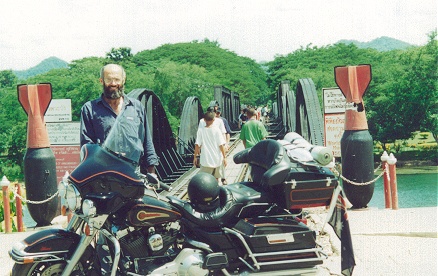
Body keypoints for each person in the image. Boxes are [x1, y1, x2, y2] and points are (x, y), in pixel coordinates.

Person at [79, 63, 158, 174]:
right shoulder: (89, 109)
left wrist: (152, 174)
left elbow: (147, 142)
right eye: (109, 80)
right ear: (101, 81)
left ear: (123, 80)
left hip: (133, 174)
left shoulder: (136, 107)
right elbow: (87, 148)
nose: (113, 84)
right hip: (104, 175)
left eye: (117, 79)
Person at [193, 111, 227, 182]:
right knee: (216, 180)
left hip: (205, 160)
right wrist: (224, 157)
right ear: (214, 120)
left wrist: (195, 157)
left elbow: (197, 145)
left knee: (205, 181)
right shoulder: (217, 130)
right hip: (217, 159)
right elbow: (221, 145)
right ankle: (216, 192)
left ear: (204, 120)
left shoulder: (200, 131)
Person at [215, 107, 231, 185]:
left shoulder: (223, 120)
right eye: (215, 112)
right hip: (214, 145)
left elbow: (227, 132)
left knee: (222, 161)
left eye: (218, 113)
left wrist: (227, 143)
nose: (217, 114)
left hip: (222, 144)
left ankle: (223, 178)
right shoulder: (209, 121)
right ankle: (216, 179)